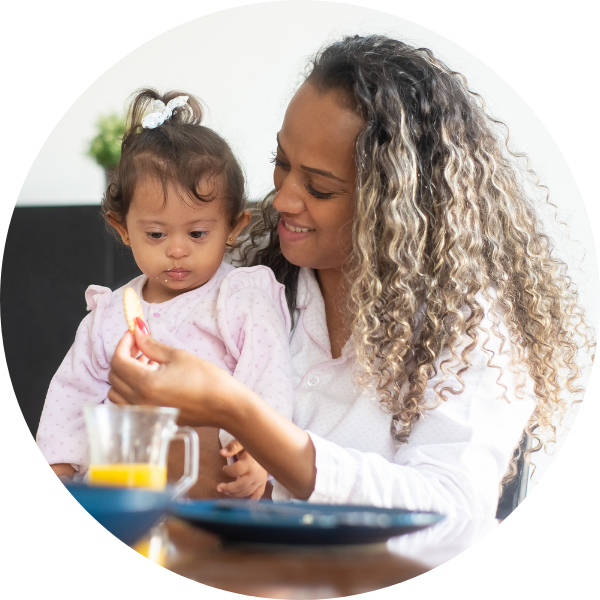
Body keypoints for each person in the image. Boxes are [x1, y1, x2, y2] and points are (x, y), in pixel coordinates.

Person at [107, 36, 595, 518]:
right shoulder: (249, 287)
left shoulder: (471, 331)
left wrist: (239, 413)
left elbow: (453, 513)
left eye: (318, 188)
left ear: (396, 206)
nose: (281, 201)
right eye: (282, 164)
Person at [36, 89, 294, 499]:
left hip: (213, 491)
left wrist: (260, 455)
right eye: (156, 234)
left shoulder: (241, 299)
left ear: (233, 226)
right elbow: (73, 394)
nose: (177, 249)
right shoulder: (109, 313)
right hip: (124, 494)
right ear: (122, 228)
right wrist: (62, 465)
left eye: (197, 233)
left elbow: (269, 382)